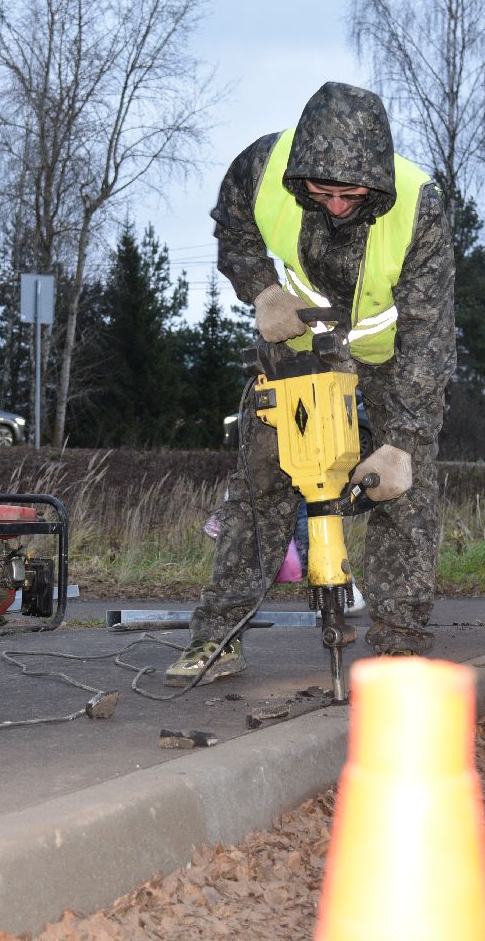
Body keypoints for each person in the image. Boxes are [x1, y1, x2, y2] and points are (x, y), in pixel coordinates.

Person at [165, 81, 454, 685]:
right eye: (322, 193)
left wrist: (400, 440)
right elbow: (233, 230)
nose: (337, 207)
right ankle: (216, 640)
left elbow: (429, 336)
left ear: (376, 181)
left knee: (404, 488)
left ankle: (400, 644)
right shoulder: (261, 169)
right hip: (298, 349)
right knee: (260, 485)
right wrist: (262, 291)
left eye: (350, 194)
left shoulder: (420, 206)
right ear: (300, 177)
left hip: (390, 360)